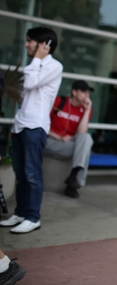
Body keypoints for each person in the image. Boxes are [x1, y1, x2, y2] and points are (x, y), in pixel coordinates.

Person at [0, 27, 62, 234]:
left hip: (35, 127)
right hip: (21, 125)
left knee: (32, 173)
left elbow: (30, 82)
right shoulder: (35, 65)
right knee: (20, 173)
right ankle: (21, 212)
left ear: (45, 45)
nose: (26, 44)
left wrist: (37, 59)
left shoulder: (54, 66)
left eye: (30, 41)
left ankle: (33, 217)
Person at [43, 80, 94, 199]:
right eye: (83, 91)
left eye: (88, 92)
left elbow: (82, 133)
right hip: (49, 141)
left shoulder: (85, 109)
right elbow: (42, 124)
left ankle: (75, 174)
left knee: (86, 138)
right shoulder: (59, 102)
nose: (87, 94)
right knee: (84, 149)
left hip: (67, 146)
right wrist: (58, 136)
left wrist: (87, 110)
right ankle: (74, 182)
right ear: (74, 92)